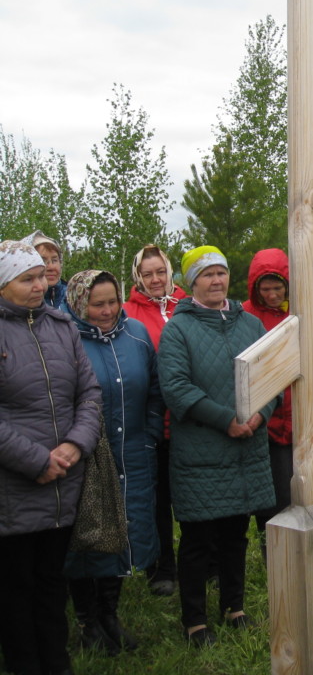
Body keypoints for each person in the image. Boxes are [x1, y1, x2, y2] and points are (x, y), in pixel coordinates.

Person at [157, 245, 277, 647]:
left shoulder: (250, 324)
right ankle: (194, 620)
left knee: (234, 535)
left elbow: (272, 372)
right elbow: (175, 388)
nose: (216, 280)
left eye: (221, 273)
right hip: (202, 454)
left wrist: (261, 412)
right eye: (207, 274)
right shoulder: (179, 328)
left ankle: (234, 606)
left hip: (246, 450)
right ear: (192, 283)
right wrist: (226, 420)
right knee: (196, 541)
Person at [0, 240, 101, 675]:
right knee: (14, 590)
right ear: (3, 285)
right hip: (14, 488)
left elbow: (90, 393)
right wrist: (35, 460)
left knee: (50, 583)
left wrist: (76, 444)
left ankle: (57, 663)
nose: (40, 285)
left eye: (42, 276)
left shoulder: (62, 327)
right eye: (27, 279)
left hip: (63, 482)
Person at [62, 270, 163, 655]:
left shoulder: (136, 336)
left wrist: (150, 435)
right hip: (89, 458)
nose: (107, 311)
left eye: (112, 302)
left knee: (124, 533)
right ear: (78, 303)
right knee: (89, 536)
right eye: (97, 304)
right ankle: (88, 621)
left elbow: (155, 390)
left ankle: (109, 615)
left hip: (134, 453)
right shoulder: (68, 340)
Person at [123, 244, 188, 596]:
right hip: (151, 421)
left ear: (169, 271)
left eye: (160, 271)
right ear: (138, 276)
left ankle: (204, 562)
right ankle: (162, 567)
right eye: (147, 274)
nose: (155, 279)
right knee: (158, 499)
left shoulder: (187, 305)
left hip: (188, 420)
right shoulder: (127, 312)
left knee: (192, 496)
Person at [241, 248, 293, 553]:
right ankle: (271, 556)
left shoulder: (300, 311)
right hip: (264, 421)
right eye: (266, 289)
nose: (272, 295)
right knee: (268, 496)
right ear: (255, 288)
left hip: (298, 418)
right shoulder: (246, 315)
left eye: (278, 287)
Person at [22, 230, 67, 309]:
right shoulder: (19, 302)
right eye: (43, 261)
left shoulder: (73, 297)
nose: (51, 267)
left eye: (54, 260)